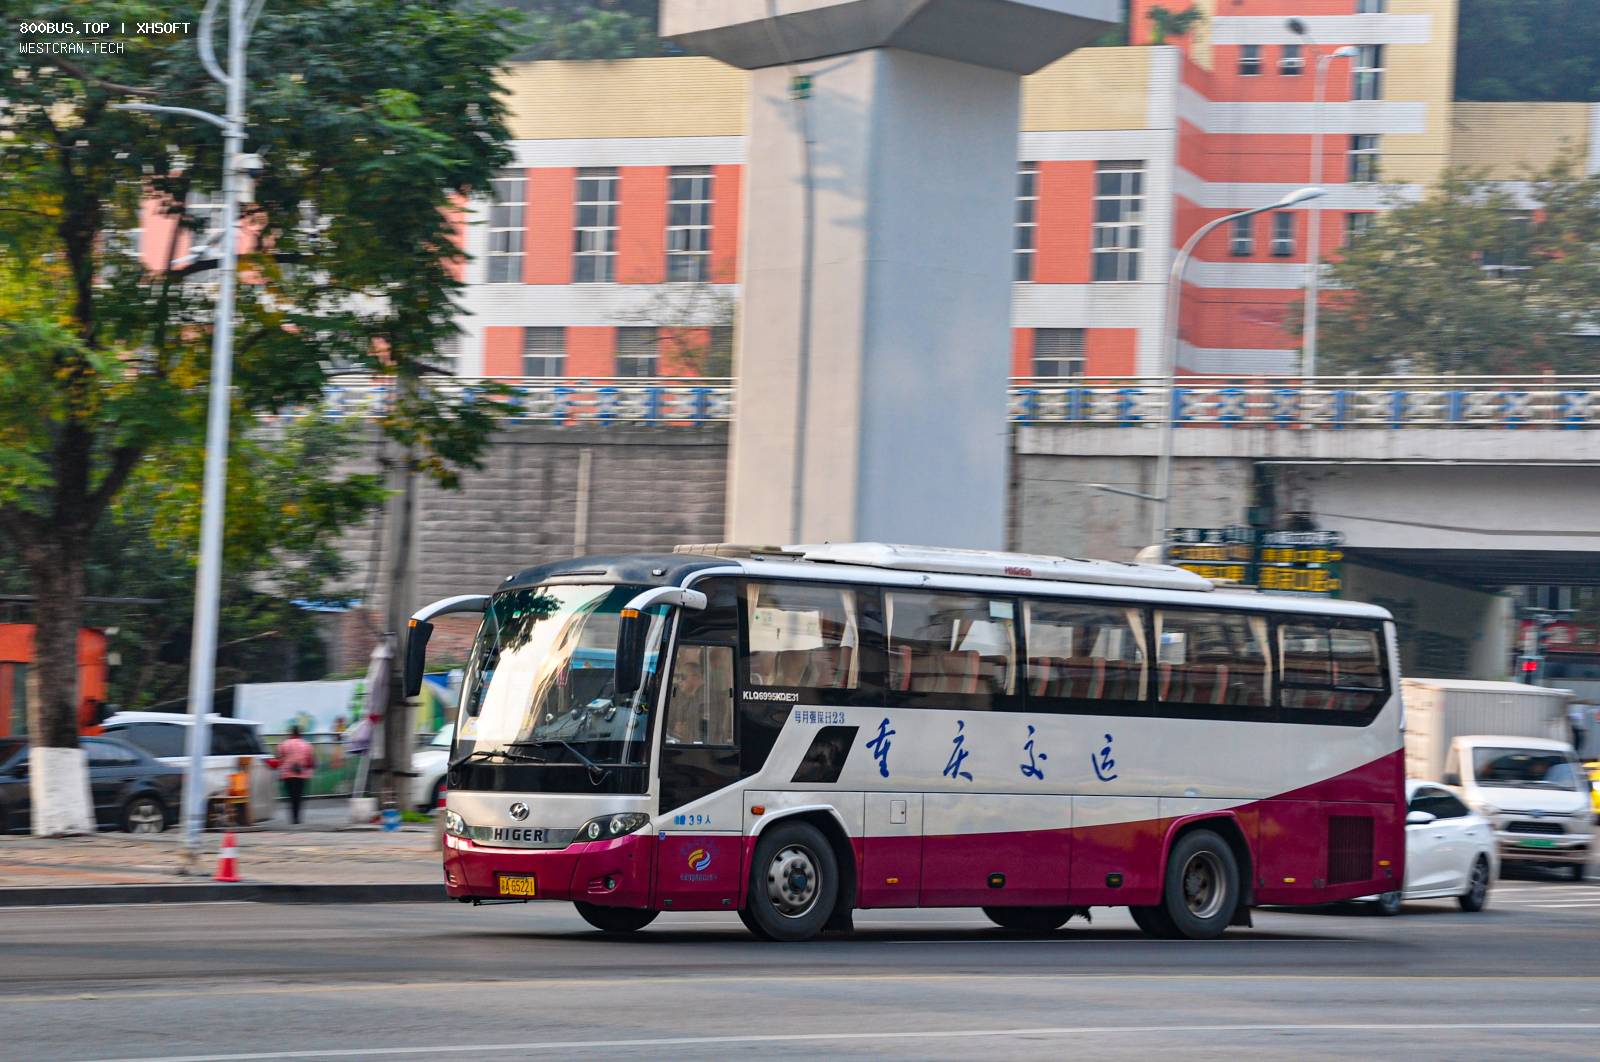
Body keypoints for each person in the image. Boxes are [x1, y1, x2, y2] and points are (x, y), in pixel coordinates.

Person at [275, 725, 316, 826]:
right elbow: (310, 762)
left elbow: (279, 760)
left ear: (290, 733)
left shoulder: (283, 744)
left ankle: (292, 817)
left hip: (287, 774)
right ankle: (297, 818)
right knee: (299, 796)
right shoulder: (307, 745)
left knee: (291, 796)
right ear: (300, 734)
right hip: (301, 774)